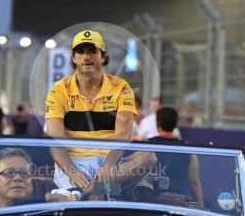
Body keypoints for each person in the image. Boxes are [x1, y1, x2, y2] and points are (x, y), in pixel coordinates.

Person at [45, 30, 156, 200]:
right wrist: (73, 172)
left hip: (110, 163)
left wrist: (108, 165)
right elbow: (54, 138)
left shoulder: (122, 87)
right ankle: (94, 190)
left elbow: (123, 134)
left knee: (148, 157)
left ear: (103, 57)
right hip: (73, 164)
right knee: (96, 198)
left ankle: (82, 192)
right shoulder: (59, 89)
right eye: (80, 52)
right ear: (74, 58)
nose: (86, 56)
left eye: (92, 51)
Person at [147, 107, 203, 206]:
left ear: (157, 124)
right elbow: (194, 181)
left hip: (153, 201)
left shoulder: (145, 146)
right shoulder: (189, 150)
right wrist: (201, 206)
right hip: (180, 203)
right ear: (176, 123)